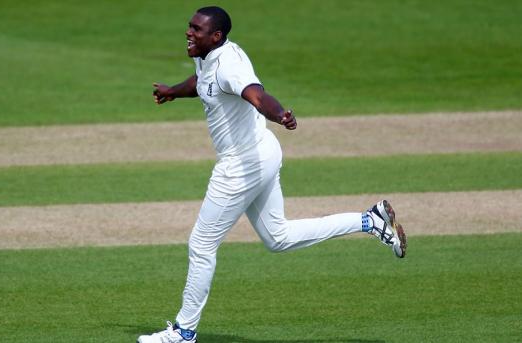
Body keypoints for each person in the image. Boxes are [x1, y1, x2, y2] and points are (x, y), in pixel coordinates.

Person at [138, 6, 407, 343]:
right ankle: (370, 221)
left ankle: (184, 331)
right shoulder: (205, 55)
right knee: (277, 238)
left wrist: (281, 115)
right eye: (189, 27)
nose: (189, 33)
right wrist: (173, 92)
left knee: (202, 244)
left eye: (196, 29)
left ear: (216, 36)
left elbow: (256, 95)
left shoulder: (230, 65)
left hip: (242, 165)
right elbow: (202, 82)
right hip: (263, 152)